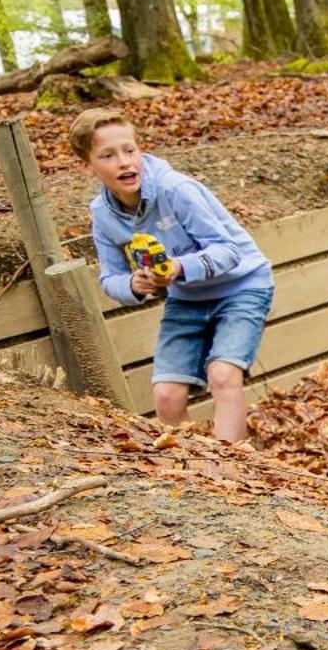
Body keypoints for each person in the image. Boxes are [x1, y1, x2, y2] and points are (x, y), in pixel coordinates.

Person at [71, 107, 275, 442]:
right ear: (87, 165)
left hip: (241, 286)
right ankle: (196, 473)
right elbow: (110, 277)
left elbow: (228, 251)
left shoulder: (175, 189)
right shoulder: (103, 215)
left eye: (130, 150)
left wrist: (178, 268)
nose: (124, 162)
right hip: (187, 298)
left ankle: (234, 472)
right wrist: (134, 284)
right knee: (166, 397)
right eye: (108, 155)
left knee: (223, 375)